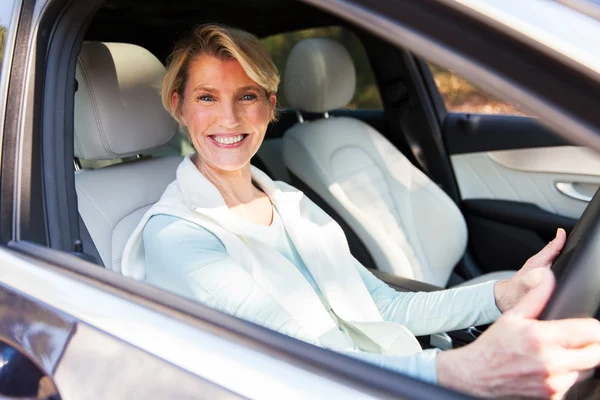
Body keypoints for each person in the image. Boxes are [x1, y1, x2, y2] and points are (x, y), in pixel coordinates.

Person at [122, 24, 600, 398]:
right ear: (178, 105)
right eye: (208, 97)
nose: (229, 118)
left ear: (270, 107)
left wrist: (504, 294)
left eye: (246, 96)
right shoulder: (177, 237)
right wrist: (463, 371)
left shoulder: (288, 202)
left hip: (384, 374)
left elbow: (382, 305)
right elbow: (302, 360)